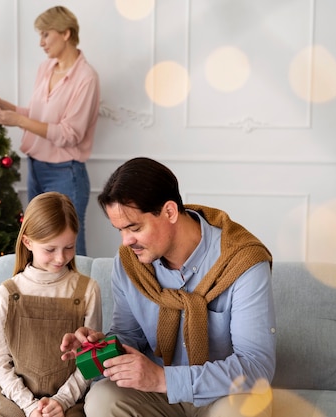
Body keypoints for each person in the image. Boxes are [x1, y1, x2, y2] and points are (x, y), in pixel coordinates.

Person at [60, 157, 276, 417]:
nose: (126, 241)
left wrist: (163, 379)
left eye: (134, 227)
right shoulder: (130, 263)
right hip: (157, 395)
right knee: (102, 399)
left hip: (224, 394)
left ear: (170, 212)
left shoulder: (242, 262)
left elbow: (255, 367)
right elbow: (130, 336)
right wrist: (98, 347)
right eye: (119, 230)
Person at [0, 5, 101, 256]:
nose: (41, 43)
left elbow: (70, 134)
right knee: (40, 247)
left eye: (46, 34)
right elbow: (37, 116)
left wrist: (18, 121)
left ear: (66, 34)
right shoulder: (46, 68)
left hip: (66, 173)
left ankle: (82, 297)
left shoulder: (86, 77)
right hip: (36, 168)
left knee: (70, 251)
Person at [0, 191, 102, 417]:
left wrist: (61, 400)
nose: (61, 258)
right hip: (15, 401)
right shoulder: (7, 294)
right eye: (50, 249)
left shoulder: (88, 290)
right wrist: (30, 407)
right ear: (28, 242)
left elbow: (91, 360)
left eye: (69, 247)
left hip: (69, 402)